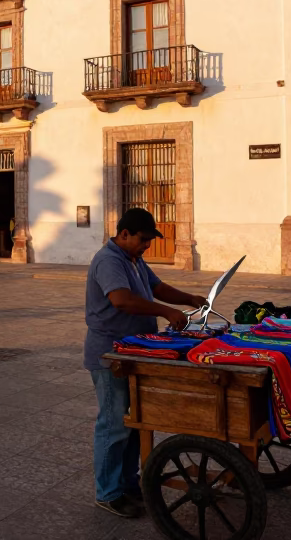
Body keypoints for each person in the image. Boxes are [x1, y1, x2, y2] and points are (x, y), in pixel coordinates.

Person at [85, 208, 205, 518]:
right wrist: (166, 312)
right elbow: (121, 300)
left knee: (134, 424)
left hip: (135, 352)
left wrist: (190, 298)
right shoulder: (110, 260)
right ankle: (108, 493)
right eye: (142, 240)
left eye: (149, 241)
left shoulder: (134, 259)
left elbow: (158, 287)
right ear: (123, 234)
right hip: (110, 354)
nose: (146, 246)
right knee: (114, 425)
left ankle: (127, 483)